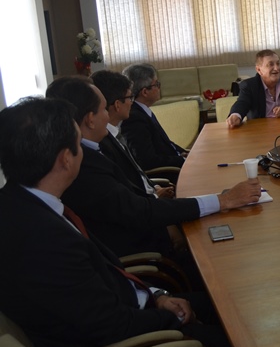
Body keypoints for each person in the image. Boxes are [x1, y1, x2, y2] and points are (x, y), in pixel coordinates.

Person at [0, 97, 243, 347]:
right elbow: (109, 326)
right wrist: (172, 316)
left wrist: (156, 297)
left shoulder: (22, 204)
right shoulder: (41, 240)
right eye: (78, 143)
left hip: (128, 318)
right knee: (247, 343)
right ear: (66, 160)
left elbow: (99, 280)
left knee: (229, 302)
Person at [47, 77, 261, 258]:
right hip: (152, 250)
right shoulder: (86, 165)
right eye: (104, 108)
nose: (109, 115)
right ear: (90, 119)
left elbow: (130, 197)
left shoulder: (97, 148)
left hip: (152, 220)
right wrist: (224, 200)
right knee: (230, 250)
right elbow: (138, 212)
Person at [92, 69, 174, 199]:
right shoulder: (103, 143)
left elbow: (137, 173)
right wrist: (155, 196)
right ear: (118, 105)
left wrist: (154, 187)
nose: (132, 102)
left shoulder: (115, 133)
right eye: (130, 97)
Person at [121, 63, 186, 171]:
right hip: (169, 174)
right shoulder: (134, 118)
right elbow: (148, 160)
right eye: (156, 84)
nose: (159, 88)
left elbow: (165, 144)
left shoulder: (142, 110)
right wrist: (182, 160)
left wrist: (185, 153)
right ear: (145, 92)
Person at [226, 49, 280, 128]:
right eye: (270, 64)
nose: (276, 68)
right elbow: (242, 103)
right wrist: (236, 115)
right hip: (261, 131)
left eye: (278, 63)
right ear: (259, 70)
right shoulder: (250, 85)